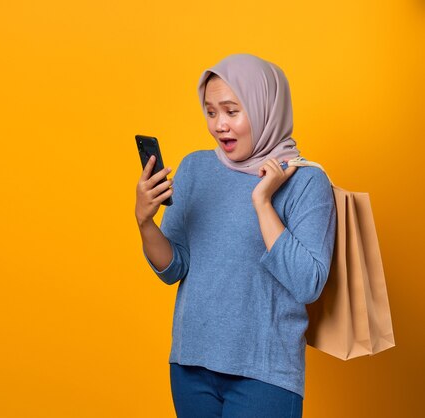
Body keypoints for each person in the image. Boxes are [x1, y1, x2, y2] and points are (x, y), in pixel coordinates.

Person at [134, 53, 337, 418]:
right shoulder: (196, 167)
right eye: (211, 112)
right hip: (190, 363)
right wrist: (145, 222)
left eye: (231, 111)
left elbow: (308, 283)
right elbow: (173, 267)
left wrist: (262, 202)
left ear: (264, 108)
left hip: (265, 373)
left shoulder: (307, 182)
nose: (219, 125)